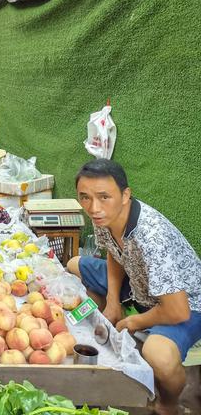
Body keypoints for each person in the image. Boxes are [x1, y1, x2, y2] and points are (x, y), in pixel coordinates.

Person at [66, 159, 201, 415]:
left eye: (104, 196)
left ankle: (169, 404)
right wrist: (114, 301)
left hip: (187, 302)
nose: (94, 207)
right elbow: (115, 255)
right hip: (140, 284)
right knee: (74, 265)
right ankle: (111, 323)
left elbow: (178, 311)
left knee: (158, 354)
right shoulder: (103, 214)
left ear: (125, 195)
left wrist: (134, 323)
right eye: (85, 197)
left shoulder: (152, 237)